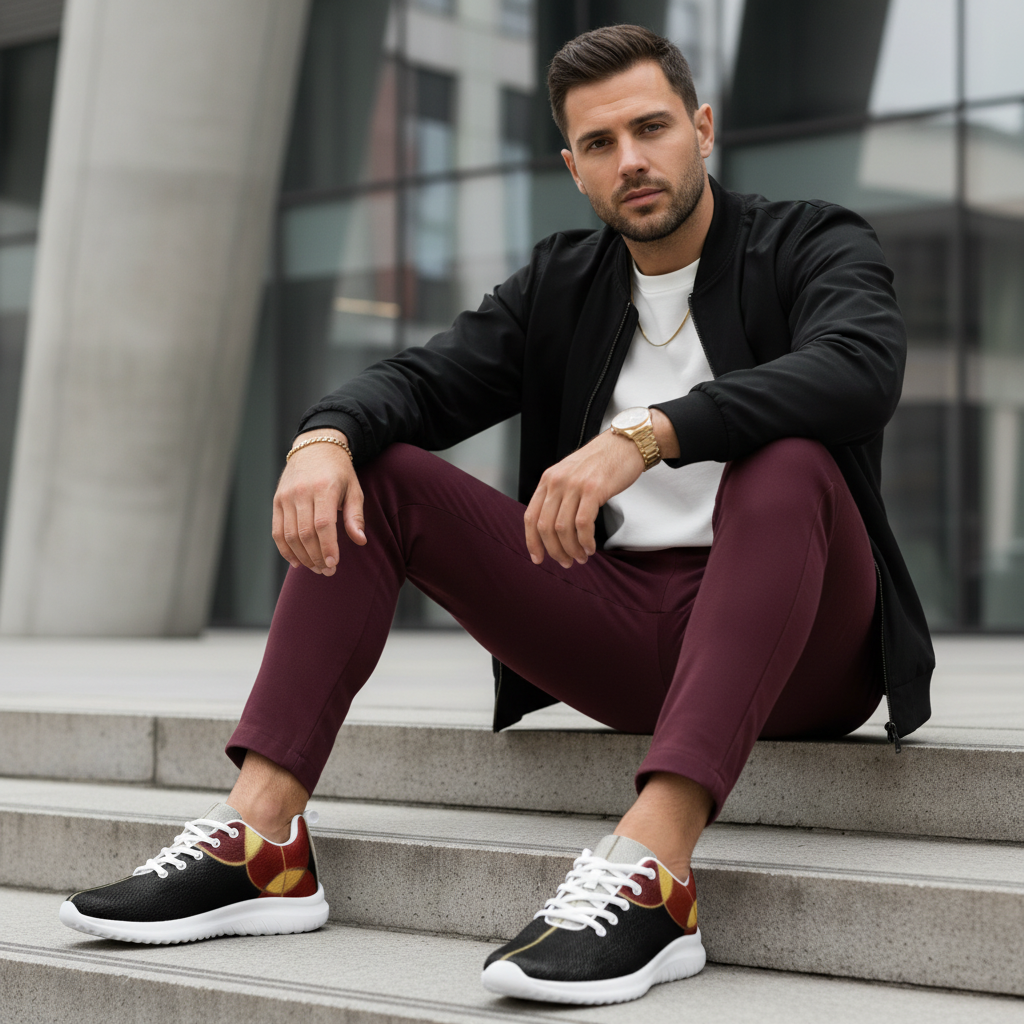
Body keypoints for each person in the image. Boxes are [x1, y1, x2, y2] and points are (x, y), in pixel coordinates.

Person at [58, 24, 933, 1006]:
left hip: (807, 648)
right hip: (617, 628)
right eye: (600, 145)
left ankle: (655, 873)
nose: (631, 160)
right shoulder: (562, 283)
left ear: (702, 127)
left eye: (651, 128)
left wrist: (642, 435)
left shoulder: (811, 241)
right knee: (377, 473)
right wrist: (323, 437)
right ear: (573, 167)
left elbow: (857, 369)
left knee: (787, 461)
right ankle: (262, 839)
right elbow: (422, 379)